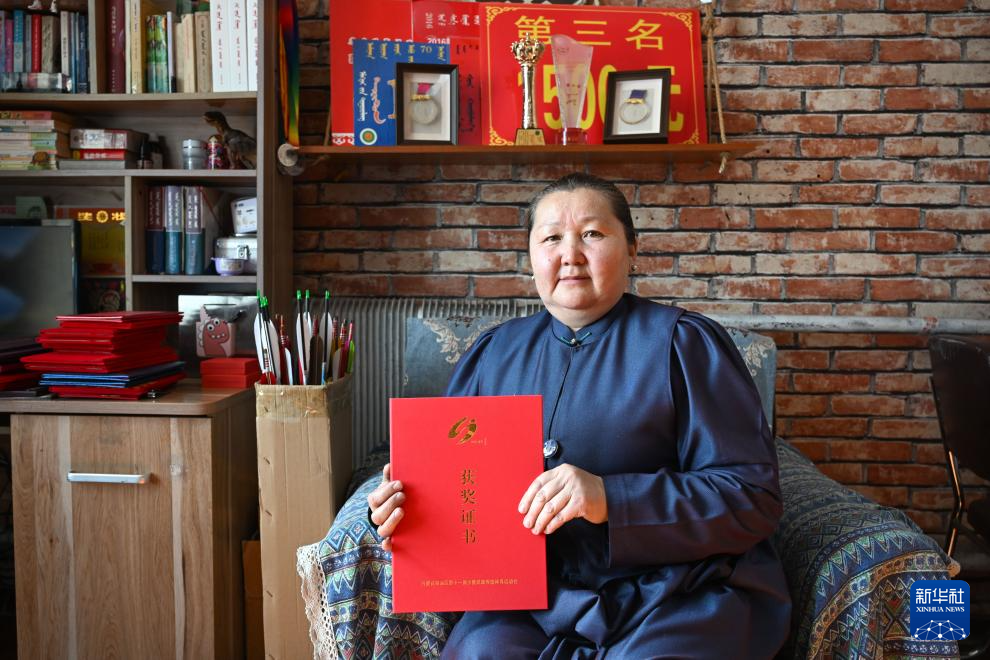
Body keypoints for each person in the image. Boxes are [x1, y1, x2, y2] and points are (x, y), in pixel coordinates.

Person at [369, 172, 791, 658]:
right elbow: (454, 486)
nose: (570, 254)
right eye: (551, 238)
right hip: (531, 600)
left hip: (676, 592)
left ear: (632, 249)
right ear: (531, 257)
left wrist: (610, 497)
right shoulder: (492, 355)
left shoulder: (685, 344)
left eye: (592, 234)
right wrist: (401, 509)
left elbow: (752, 496)